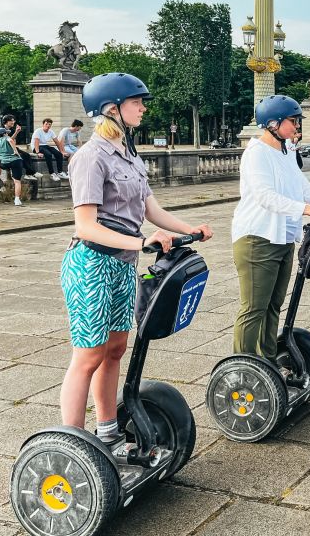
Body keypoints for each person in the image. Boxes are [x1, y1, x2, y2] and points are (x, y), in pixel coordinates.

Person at [60, 72, 213, 442]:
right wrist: (142, 242)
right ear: (112, 109)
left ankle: (108, 431)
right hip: (92, 265)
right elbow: (85, 226)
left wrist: (189, 229)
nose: (143, 108)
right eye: (136, 102)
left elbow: (152, 210)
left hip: (122, 265)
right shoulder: (89, 158)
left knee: (115, 349)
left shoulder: (129, 155)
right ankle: (72, 444)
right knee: (89, 355)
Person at [232, 95, 310, 362]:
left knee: (273, 306)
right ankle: (242, 368)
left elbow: (302, 187)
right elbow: (265, 196)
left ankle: (267, 361)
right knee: (253, 308)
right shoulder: (256, 153)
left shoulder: (286, 151)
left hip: (282, 237)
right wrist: (308, 210)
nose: (297, 126)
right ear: (273, 123)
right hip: (256, 239)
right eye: (293, 121)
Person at [0, 127, 27, 206]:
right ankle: (17, 200)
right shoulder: (6, 138)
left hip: (5, 162)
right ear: (4, 134)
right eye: (7, 133)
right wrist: (15, 151)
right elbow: (11, 140)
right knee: (17, 181)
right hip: (16, 161)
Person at [1, 114, 43, 179]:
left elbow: (12, 140)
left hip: (12, 147)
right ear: (6, 121)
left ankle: (28, 174)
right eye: (11, 121)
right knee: (21, 156)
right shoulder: (2, 130)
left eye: (14, 120)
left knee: (27, 155)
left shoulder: (11, 130)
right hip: (6, 149)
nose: (13, 122)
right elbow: (8, 141)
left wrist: (16, 132)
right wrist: (16, 132)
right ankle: (33, 172)